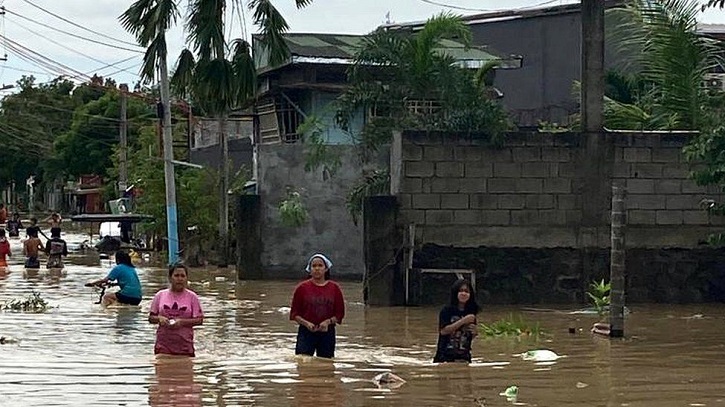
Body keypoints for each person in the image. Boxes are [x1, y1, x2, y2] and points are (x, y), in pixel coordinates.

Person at [289, 254, 345, 359]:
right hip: (306, 332)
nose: (317, 269)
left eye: (320, 266)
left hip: (327, 332)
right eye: (314, 266)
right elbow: (294, 314)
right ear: (309, 270)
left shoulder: (334, 288)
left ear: (326, 269)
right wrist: (307, 324)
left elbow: (339, 314)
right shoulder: (301, 288)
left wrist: (327, 322)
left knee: (326, 364)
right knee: (303, 362)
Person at [148, 263, 204, 356]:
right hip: (163, 346)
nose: (180, 279)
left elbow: (199, 320)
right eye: (176, 275)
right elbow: (151, 318)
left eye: (182, 276)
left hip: (185, 346)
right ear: (170, 278)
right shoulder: (160, 295)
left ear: (186, 279)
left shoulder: (192, 297)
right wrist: (159, 319)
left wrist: (181, 322)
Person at [433, 279, 480, 363]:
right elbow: (443, 331)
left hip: (464, 358)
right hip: (444, 358)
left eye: (466, 291)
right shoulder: (446, 310)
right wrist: (463, 321)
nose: (464, 294)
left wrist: (475, 332)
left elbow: (468, 336)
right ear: (455, 293)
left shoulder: (471, 312)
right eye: (461, 291)